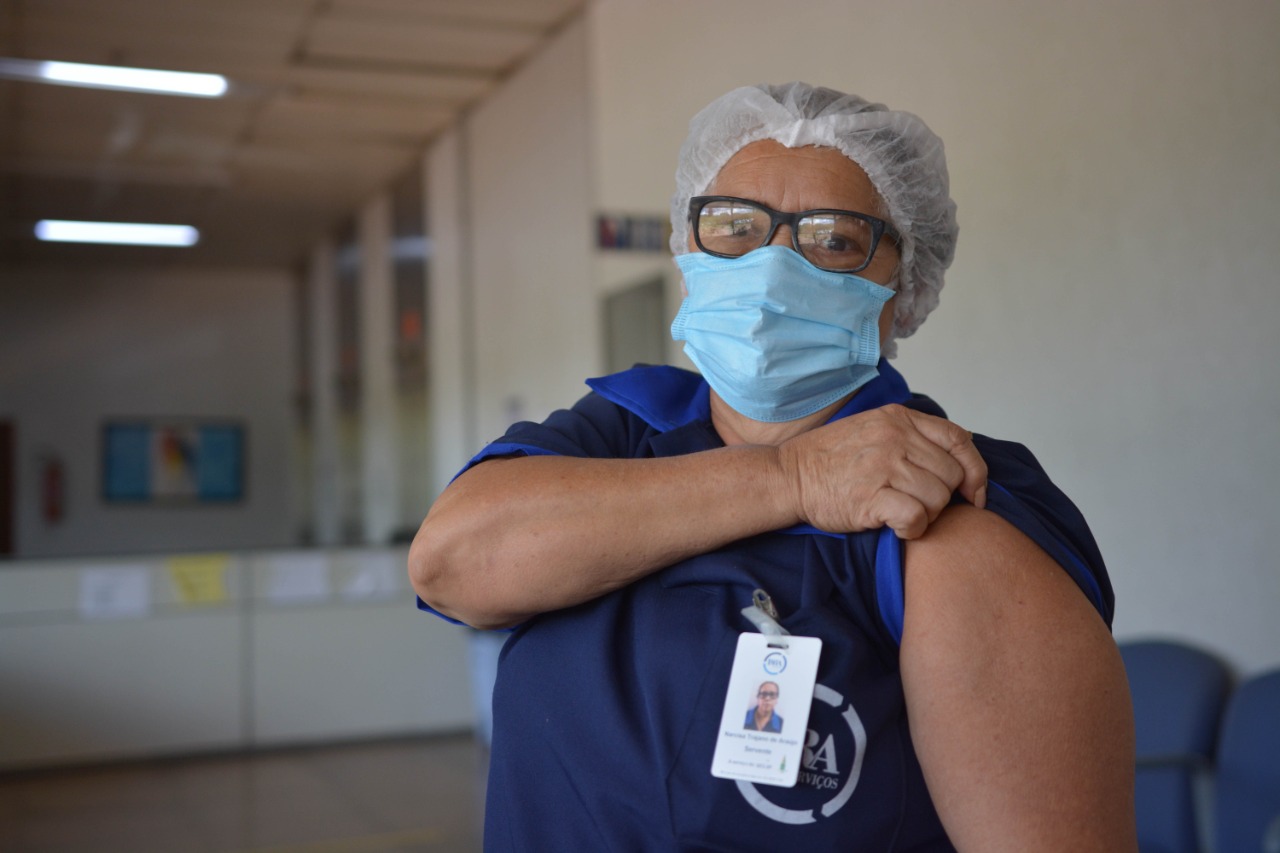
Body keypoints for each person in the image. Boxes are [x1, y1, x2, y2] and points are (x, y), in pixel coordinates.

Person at [411, 82, 1136, 851]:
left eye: (833, 239)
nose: (771, 265)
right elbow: (453, 564)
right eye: (733, 226)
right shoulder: (619, 431)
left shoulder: (945, 506)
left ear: (905, 284)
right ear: (688, 253)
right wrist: (791, 478)